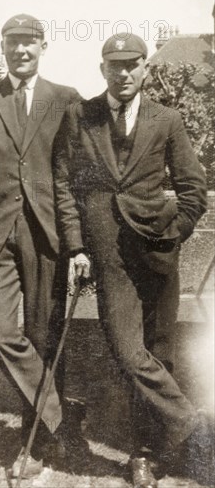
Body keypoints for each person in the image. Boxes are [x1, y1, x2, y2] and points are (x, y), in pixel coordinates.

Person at [53, 33, 210, 487]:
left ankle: (146, 454)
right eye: (114, 65)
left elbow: (192, 188)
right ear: (102, 68)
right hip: (107, 255)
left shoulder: (168, 119)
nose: (123, 73)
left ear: (145, 68)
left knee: (159, 354)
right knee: (128, 351)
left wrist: (175, 232)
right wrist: (77, 245)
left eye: (132, 64)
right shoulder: (80, 116)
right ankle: (193, 424)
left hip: (158, 251)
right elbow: (64, 184)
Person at [0, 14, 84, 478]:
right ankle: (61, 416)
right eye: (13, 42)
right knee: (2, 335)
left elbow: (75, 175)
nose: (21, 50)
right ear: (2, 46)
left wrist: (77, 242)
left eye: (29, 43)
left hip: (46, 235)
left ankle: (37, 441)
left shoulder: (65, 99)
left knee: (44, 336)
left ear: (43, 46)